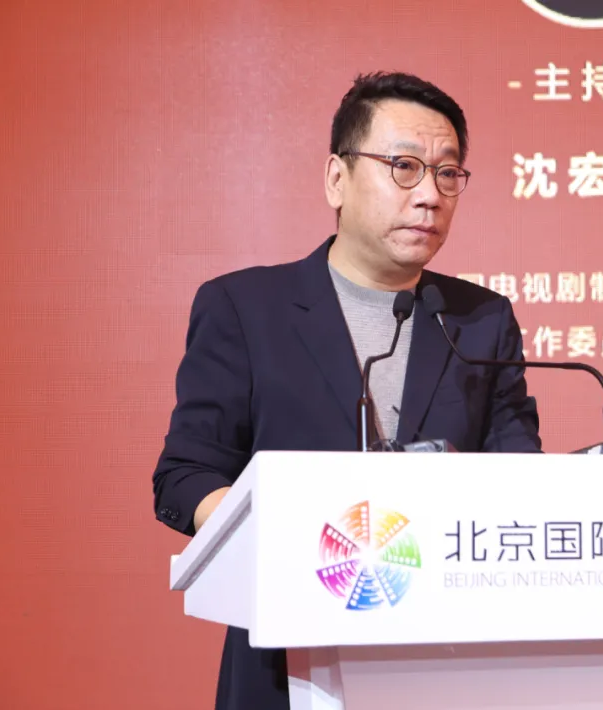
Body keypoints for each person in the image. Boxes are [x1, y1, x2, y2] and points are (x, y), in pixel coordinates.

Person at [151, 71, 543, 710]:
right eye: (404, 167)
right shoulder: (246, 308)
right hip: (286, 661)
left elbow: (518, 477)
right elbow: (185, 476)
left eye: (448, 174)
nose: (430, 196)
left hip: (446, 660)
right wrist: (287, 542)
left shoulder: (480, 319)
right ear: (337, 178)